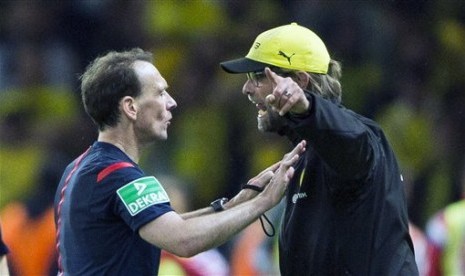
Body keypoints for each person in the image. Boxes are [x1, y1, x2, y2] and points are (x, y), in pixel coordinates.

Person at [53, 48, 306, 275]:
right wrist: (265, 202)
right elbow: (182, 241)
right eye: (161, 92)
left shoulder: (78, 168)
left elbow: (168, 223)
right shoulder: (118, 174)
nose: (172, 102)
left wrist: (237, 202)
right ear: (130, 107)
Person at [220, 22, 418, 275]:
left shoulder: (360, 138)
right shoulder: (306, 154)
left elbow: (350, 140)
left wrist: (308, 107)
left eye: (258, 76)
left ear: (300, 81)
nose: (246, 88)